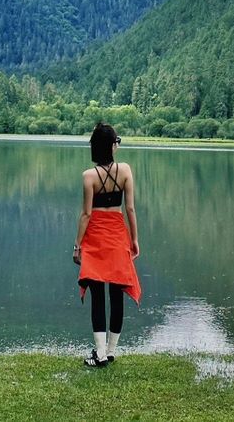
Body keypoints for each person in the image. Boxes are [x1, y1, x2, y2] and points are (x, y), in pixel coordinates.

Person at [73, 122, 141, 367]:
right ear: (111, 146)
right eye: (116, 142)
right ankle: (110, 351)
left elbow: (86, 215)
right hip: (116, 235)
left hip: (95, 238)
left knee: (98, 296)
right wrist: (134, 239)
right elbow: (130, 208)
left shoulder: (89, 176)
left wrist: (77, 245)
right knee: (117, 293)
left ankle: (99, 353)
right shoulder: (125, 171)